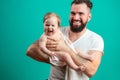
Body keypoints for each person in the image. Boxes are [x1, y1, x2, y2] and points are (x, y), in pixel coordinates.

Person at [26, 0, 104, 80]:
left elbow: (91, 70)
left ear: (89, 17)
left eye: (81, 13)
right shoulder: (57, 31)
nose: (76, 18)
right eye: (73, 13)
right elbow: (30, 50)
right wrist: (58, 61)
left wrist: (66, 49)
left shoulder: (96, 39)